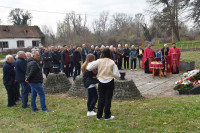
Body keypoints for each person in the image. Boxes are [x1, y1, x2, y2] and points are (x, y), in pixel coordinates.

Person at [87, 48, 121, 120]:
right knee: (108, 99)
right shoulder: (112, 62)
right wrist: (113, 75)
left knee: (101, 98)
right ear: (109, 54)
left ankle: (99, 116)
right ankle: (107, 116)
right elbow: (117, 75)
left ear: (102, 53)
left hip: (101, 82)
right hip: (109, 82)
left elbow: (89, 67)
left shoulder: (99, 61)